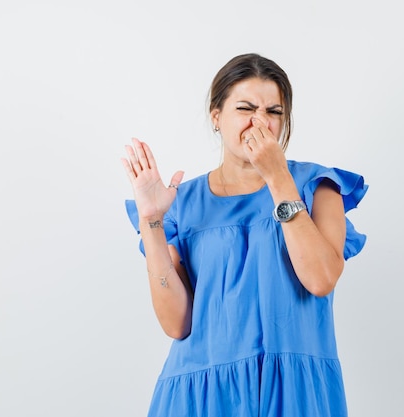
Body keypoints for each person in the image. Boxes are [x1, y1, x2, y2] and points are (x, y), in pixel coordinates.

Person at [121, 53, 368, 417]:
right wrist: (152, 220)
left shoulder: (317, 186)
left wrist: (278, 178)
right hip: (200, 396)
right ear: (216, 116)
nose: (260, 123)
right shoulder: (183, 202)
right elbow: (176, 323)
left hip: (295, 393)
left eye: (274, 112)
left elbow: (321, 279)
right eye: (246, 108)